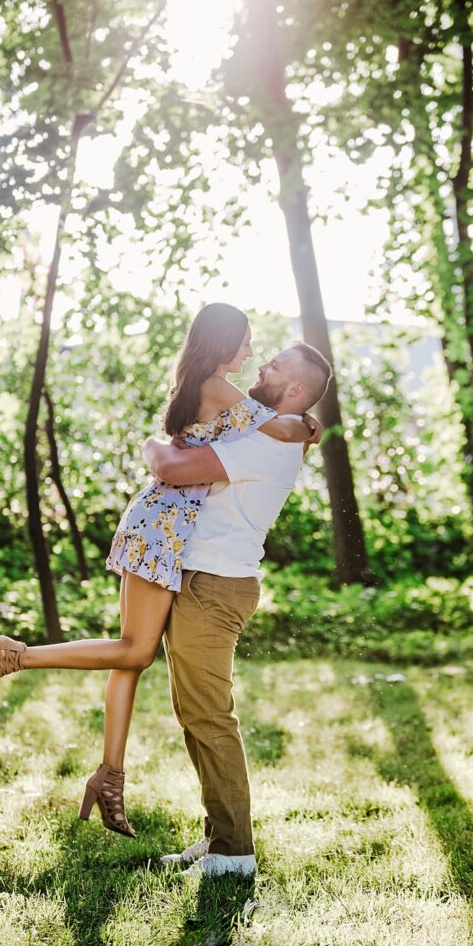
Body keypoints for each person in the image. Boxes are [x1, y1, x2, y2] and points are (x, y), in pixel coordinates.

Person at [0, 304, 318, 836]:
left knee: (130, 656)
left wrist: (158, 445)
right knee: (134, 651)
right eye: (247, 346)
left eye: (264, 358)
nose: (253, 358)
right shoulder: (222, 391)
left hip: (164, 527)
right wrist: (308, 424)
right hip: (163, 528)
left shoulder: (206, 389)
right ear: (222, 346)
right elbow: (278, 426)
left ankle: (110, 774)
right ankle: (17, 656)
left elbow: (217, 438)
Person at [140, 340, 332, 876]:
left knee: (210, 715)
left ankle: (235, 853)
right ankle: (219, 836)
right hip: (204, 578)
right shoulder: (270, 431)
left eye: (274, 367)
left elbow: (175, 469)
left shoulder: (269, 445)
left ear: (293, 390)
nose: (261, 366)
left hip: (215, 584)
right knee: (194, 713)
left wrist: (152, 447)